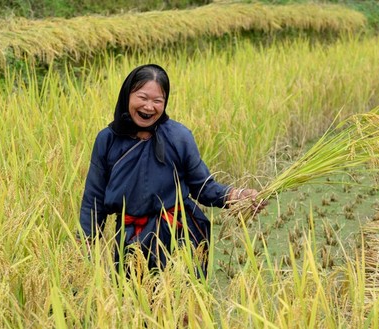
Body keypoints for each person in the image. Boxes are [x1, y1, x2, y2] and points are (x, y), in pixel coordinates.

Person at [79, 64, 264, 278]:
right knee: (134, 303)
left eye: (157, 101)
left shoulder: (178, 136)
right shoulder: (108, 140)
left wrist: (237, 196)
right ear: (127, 95)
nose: (149, 107)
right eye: (142, 97)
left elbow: (203, 187)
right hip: (132, 239)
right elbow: (94, 199)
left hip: (179, 235)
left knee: (183, 305)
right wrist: (85, 241)